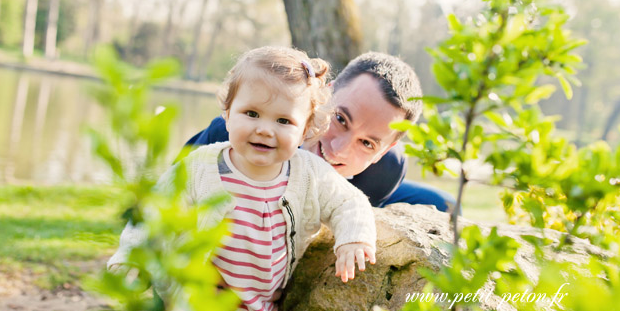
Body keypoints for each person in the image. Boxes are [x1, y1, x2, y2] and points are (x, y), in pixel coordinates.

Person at [109, 47, 377, 311]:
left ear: (305, 130)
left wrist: (354, 238)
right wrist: (131, 257)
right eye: (251, 114)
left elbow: (349, 201)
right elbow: (154, 211)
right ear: (227, 112)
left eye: (283, 120)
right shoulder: (201, 166)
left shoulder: (308, 173)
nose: (264, 129)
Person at [186, 51, 455, 212]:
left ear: (382, 152)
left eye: (367, 144)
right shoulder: (229, 137)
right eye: (340, 118)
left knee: (443, 203)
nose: (338, 149)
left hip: (347, 185)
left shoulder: (385, 171)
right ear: (325, 92)